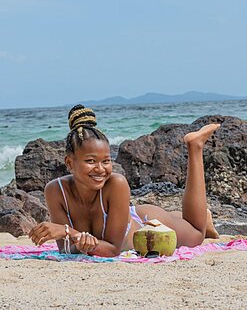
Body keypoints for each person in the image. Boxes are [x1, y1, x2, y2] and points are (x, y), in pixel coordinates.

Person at [29, 104, 220, 257]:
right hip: (124, 216)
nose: (100, 169)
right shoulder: (56, 190)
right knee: (190, 228)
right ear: (69, 163)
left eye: (106, 161)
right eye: (90, 161)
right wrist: (78, 240)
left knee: (196, 234)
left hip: (145, 222)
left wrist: (70, 233)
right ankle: (194, 216)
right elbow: (66, 251)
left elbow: (112, 249)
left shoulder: (116, 184)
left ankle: (195, 146)